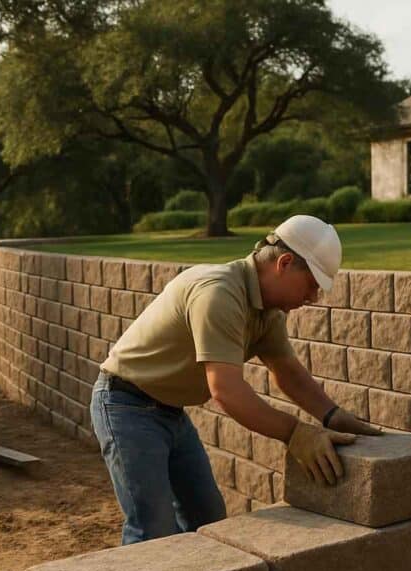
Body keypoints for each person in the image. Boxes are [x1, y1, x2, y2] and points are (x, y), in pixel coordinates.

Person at [90, 214, 382, 545]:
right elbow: (226, 391)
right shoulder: (219, 293)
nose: (313, 297)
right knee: (152, 528)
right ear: (285, 263)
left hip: (170, 412)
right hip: (126, 406)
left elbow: (287, 371)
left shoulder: (268, 311)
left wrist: (333, 416)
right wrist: (296, 433)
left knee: (207, 517)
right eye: (312, 284)